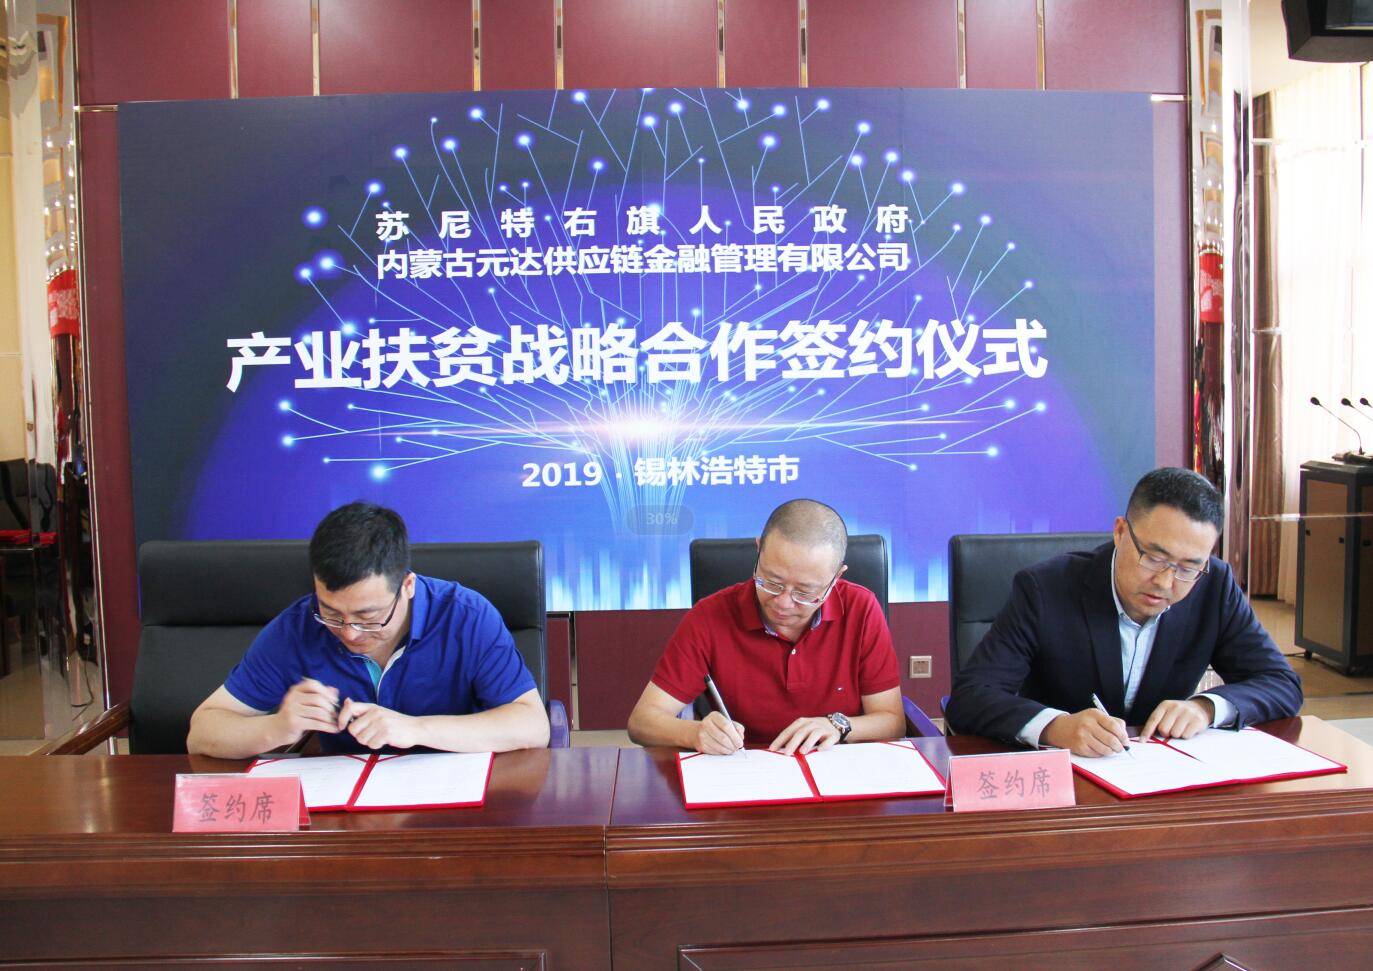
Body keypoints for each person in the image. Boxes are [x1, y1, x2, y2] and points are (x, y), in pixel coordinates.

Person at [946, 467, 1302, 757]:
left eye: (1188, 567)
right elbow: (972, 696)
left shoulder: (1215, 586)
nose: (1165, 582)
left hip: (1159, 778)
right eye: (1155, 558)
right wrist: (1055, 726)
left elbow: (1281, 683)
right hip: (1065, 781)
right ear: (1120, 532)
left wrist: (1206, 708)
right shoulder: (1045, 589)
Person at [187, 502, 549, 758]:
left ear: (407, 586)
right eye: (332, 614)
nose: (350, 633)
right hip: (348, 814)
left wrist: (416, 729)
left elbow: (532, 725)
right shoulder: (297, 627)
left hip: (459, 799)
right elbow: (202, 732)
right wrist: (278, 727)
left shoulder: (466, 617)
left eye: (369, 617)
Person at [627, 499, 905, 756]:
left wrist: (837, 725)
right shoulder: (709, 617)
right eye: (771, 582)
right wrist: (694, 733)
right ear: (759, 550)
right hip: (746, 768)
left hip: (836, 771)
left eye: (805, 592)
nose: (783, 603)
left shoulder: (861, 609)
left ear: (836, 577)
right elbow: (641, 722)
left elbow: (892, 722)